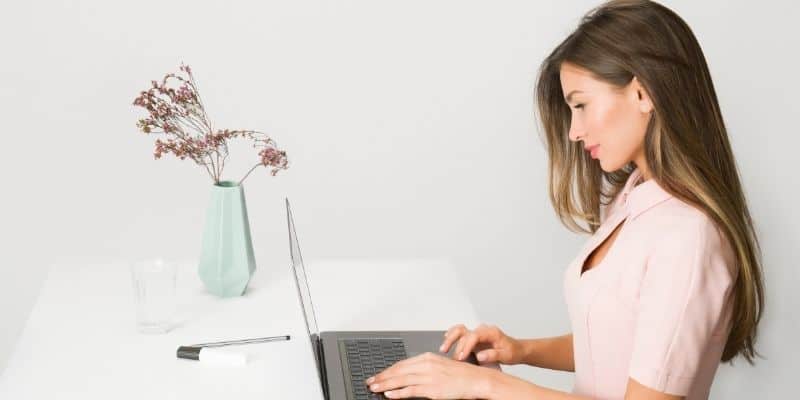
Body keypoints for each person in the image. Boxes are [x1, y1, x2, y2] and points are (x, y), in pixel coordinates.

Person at [364, 0, 765, 399]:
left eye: (581, 105)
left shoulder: (687, 238)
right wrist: (520, 350)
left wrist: (485, 384)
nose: (574, 131)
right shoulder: (633, 200)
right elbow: (616, 342)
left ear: (643, 93)